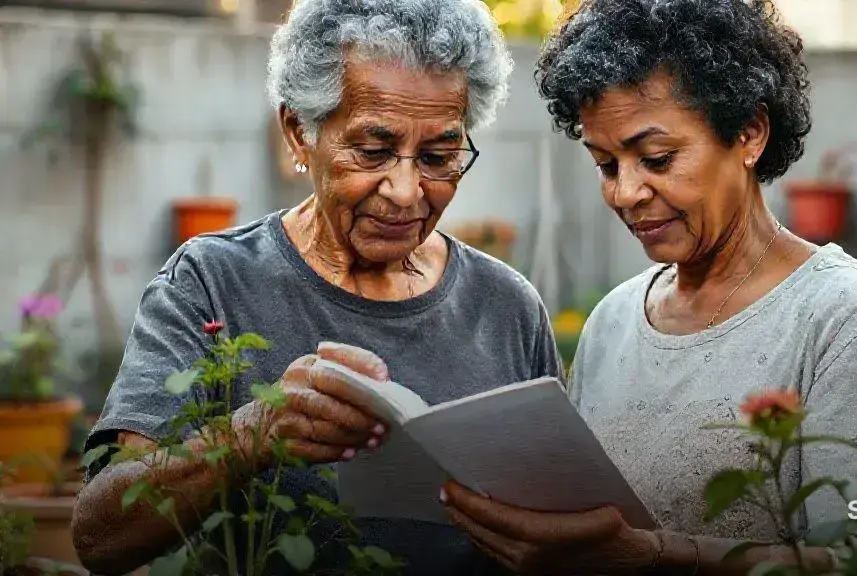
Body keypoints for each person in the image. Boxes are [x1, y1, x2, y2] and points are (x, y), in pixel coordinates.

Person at [437, 0, 857, 574]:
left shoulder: (846, 317)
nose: (625, 192)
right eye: (606, 165)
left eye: (656, 158)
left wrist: (654, 555)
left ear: (749, 133)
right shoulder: (614, 321)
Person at [70, 1, 561, 575]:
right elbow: (99, 536)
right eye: (373, 151)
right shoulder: (210, 283)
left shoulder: (507, 305)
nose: (406, 190)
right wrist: (253, 435)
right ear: (299, 133)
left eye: (439, 156)